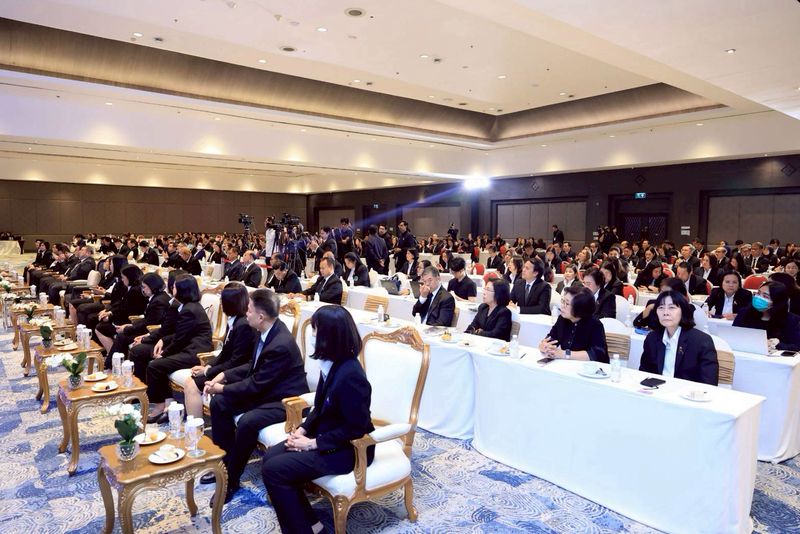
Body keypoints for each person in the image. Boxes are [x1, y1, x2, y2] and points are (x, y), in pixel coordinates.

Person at [261, 305, 373, 534]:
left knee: (275, 470)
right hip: (327, 435)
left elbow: (356, 427)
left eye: (315, 330)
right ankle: (312, 525)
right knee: (271, 457)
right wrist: (302, 430)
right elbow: (320, 407)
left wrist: (312, 444)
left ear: (329, 336)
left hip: (350, 449)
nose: (311, 335)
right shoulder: (331, 364)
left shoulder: (351, 375)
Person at [204, 288, 308, 503]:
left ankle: (231, 479)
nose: (246, 313)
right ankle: (225, 463)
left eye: (249, 310)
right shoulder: (265, 330)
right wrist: (224, 375)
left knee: (248, 422)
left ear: (261, 316)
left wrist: (222, 387)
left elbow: (255, 384)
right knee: (219, 404)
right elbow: (254, 366)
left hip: (285, 400)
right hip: (267, 390)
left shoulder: (280, 344)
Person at [146, 274, 213, 423]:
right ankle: (168, 404)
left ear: (182, 290)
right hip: (189, 347)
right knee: (155, 362)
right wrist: (164, 341)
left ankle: (163, 405)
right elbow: (180, 335)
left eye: (175, 287)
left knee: (155, 365)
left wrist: (164, 354)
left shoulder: (189, 309)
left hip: (196, 352)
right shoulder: (189, 306)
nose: (172, 289)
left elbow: (180, 340)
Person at [184, 283, 255, 419]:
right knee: (190, 381)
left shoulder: (243, 325)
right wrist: (207, 366)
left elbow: (236, 361)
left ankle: (196, 426)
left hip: (237, 374)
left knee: (192, 385)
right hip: (229, 368)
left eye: (222, 300)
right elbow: (225, 352)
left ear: (230, 303)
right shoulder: (234, 320)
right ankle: (194, 424)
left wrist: (208, 372)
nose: (220, 303)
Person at [639, 290, 719, 385]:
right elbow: (644, 373)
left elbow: (709, 383)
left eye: (672, 307)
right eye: (661, 307)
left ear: (683, 311)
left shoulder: (701, 341)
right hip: (656, 390)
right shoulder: (652, 338)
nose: (665, 313)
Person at [107, 272, 171, 358]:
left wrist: (126, 329)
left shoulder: (159, 302)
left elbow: (149, 324)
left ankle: (113, 363)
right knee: (122, 335)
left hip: (153, 333)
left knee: (122, 337)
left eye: (144, 287)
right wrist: (129, 325)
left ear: (152, 286)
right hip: (150, 330)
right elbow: (147, 320)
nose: (143, 290)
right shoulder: (158, 297)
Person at [538, 286, 609, 362]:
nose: (562, 306)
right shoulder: (562, 319)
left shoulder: (595, 324)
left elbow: (597, 354)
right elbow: (551, 339)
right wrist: (544, 345)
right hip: (569, 364)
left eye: (567, 303)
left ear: (580, 308)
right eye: (562, 301)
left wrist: (565, 354)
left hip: (591, 367)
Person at [95, 264, 148, 355]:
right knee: (99, 322)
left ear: (129, 277)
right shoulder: (130, 288)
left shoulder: (135, 291)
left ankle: (111, 354)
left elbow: (127, 311)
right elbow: (120, 305)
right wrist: (109, 312)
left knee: (100, 328)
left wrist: (110, 317)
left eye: (123, 277)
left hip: (130, 321)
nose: (122, 279)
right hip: (124, 317)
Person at [733, 281, 800, 352]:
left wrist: (777, 345)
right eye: (758, 293)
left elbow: (797, 346)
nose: (759, 298)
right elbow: (734, 335)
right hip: (747, 353)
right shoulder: (744, 313)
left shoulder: (792, 320)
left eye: (765, 296)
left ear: (777, 301)